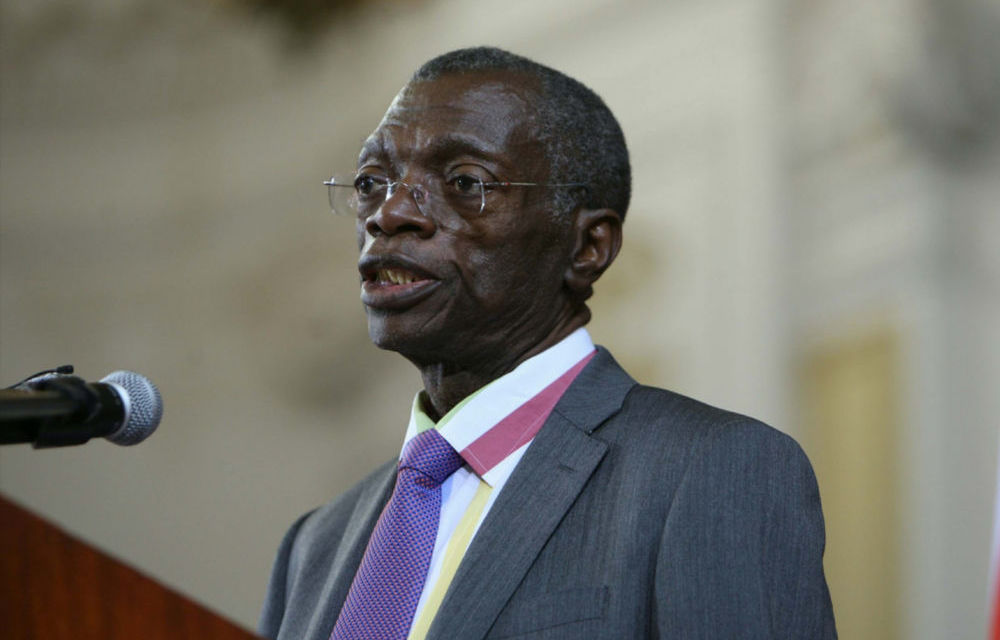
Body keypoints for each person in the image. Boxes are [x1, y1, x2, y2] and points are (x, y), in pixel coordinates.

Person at [259, 47, 836, 640]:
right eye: (370, 183)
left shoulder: (710, 472)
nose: (390, 212)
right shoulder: (315, 545)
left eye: (463, 182)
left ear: (587, 246)